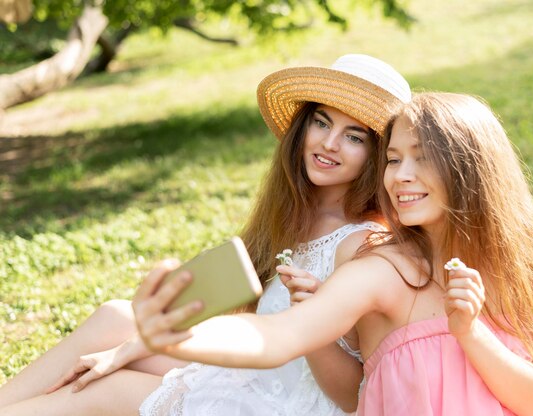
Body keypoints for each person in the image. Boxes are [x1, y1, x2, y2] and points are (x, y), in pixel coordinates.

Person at [0, 54, 412, 415]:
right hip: (256, 372)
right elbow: (223, 304)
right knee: (115, 318)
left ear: (377, 157)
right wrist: (122, 351)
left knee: (105, 390)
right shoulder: (295, 213)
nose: (329, 143)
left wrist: (313, 320)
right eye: (322, 122)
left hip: (289, 403)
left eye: (354, 137)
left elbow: (352, 398)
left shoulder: (362, 245)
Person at [130, 92, 533, 416]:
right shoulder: (385, 268)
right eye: (393, 159)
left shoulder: (517, 268)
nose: (400, 176)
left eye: (421, 158)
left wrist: (470, 333)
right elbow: (280, 335)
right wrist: (182, 337)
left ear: (470, 168)